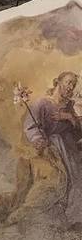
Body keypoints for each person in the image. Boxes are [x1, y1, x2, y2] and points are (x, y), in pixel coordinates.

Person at [25, 71, 82, 224]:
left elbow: (78, 131)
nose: (70, 87)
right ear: (58, 82)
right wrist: (38, 140)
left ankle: (73, 217)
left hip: (70, 149)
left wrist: (69, 117)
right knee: (58, 182)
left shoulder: (70, 106)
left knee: (76, 180)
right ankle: (57, 218)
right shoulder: (41, 103)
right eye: (68, 82)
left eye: (73, 84)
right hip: (52, 148)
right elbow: (31, 126)